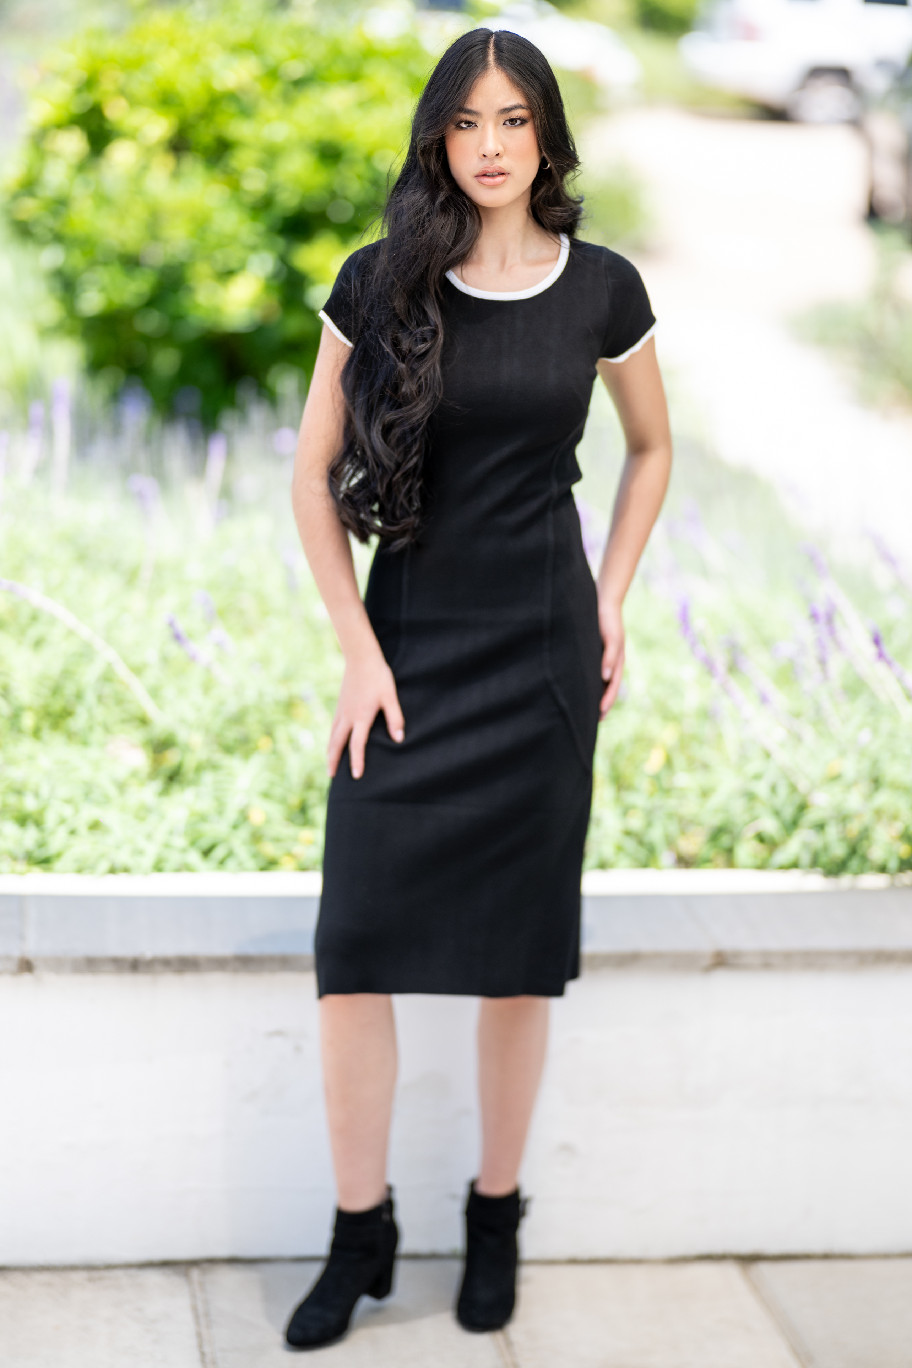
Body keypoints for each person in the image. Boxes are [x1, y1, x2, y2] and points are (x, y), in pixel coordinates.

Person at [286, 24, 672, 1352]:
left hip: (543, 659)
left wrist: (611, 594)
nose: (491, 146)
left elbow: (652, 447)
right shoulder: (379, 279)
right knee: (353, 953)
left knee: (518, 962)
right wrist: (358, 648)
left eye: (514, 120)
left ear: (546, 134)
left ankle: (496, 1213)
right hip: (405, 654)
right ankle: (362, 1231)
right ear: (437, 138)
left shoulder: (603, 288)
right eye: (466, 122)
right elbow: (311, 478)